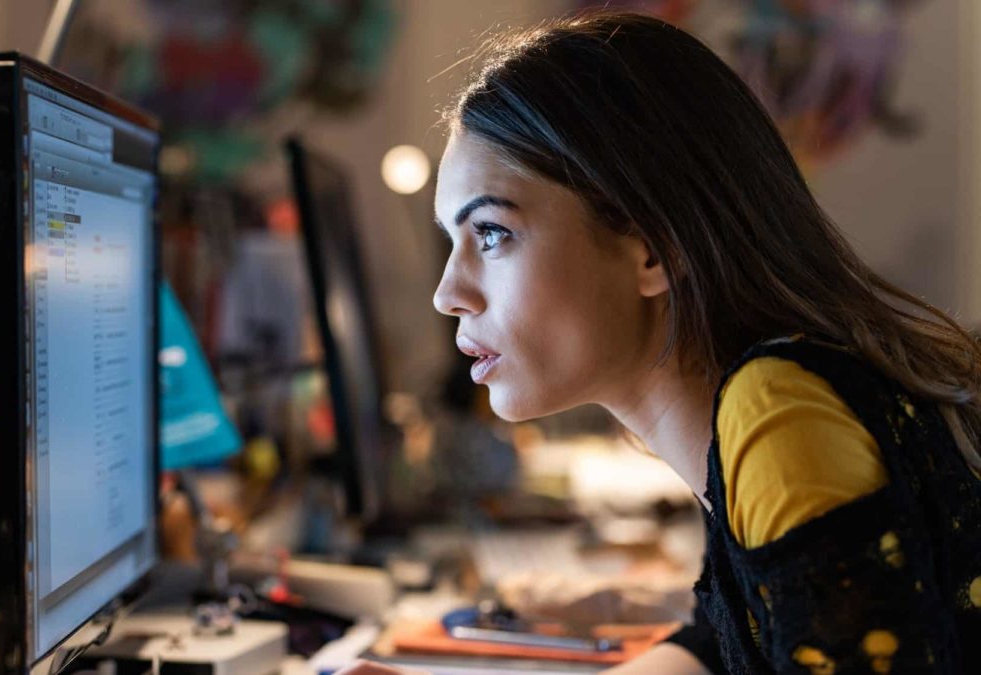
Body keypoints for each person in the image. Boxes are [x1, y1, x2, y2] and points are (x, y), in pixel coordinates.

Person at [339, 10, 981, 675]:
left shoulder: (779, 411)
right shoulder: (745, 412)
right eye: (453, 241)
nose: (448, 293)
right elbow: (718, 641)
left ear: (651, 245)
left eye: (493, 234)